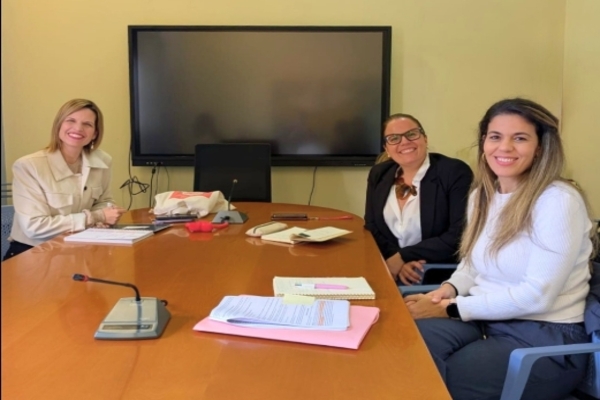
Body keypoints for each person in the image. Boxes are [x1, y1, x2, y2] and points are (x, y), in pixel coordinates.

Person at [404, 98, 597, 400]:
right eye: (495, 136)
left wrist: (452, 308)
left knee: (434, 382)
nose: (504, 147)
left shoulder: (558, 201)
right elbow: (472, 265)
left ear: (540, 147)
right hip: (484, 319)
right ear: (484, 142)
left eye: (520, 138)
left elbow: (537, 296)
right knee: (402, 348)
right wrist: (446, 291)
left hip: (544, 336)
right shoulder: (482, 196)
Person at [4, 99, 125, 260]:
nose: (78, 128)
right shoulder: (29, 166)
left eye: (87, 124)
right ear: (59, 125)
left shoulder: (103, 160)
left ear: (95, 133)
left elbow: (104, 201)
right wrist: (95, 217)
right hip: (32, 253)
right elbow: (34, 227)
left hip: (79, 248)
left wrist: (106, 212)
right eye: (71, 120)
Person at [364, 113, 473, 285]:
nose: (404, 142)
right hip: (389, 269)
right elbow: (371, 225)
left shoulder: (454, 172)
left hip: (437, 275)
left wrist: (403, 256)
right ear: (387, 148)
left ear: (425, 138)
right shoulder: (379, 173)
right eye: (394, 138)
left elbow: (458, 235)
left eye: (412, 134)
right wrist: (395, 259)